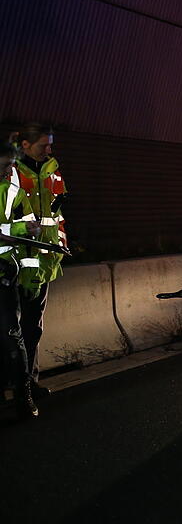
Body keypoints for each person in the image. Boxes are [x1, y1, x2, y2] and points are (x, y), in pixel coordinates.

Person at [10, 124, 67, 401]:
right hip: (14, 261)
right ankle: (15, 385)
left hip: (43, 260)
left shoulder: (52, 170)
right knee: (12, 331)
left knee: (33, 327)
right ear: (24, 145)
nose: (49, 150)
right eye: (44, 145)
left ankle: (29, 384)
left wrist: (62, 244)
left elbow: (57, 214)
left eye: (50, 145)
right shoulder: (10, 173)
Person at [0, 144, 41, 418]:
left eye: (10, 166)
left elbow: (6, 226)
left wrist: (22, 229)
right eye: (4, 166)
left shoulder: (8, 189)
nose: (8, 172)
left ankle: (23, 396)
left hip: (3, 269)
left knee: (11, 334)